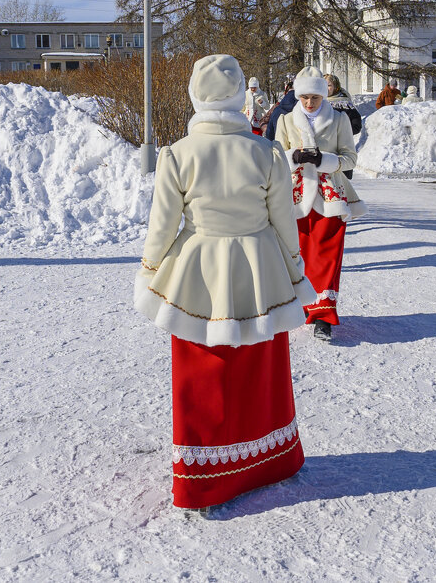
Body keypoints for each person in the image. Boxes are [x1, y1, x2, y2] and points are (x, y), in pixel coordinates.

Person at [134, 54, 316, 512]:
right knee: (260, 367)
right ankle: (267, 460)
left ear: (196, 98)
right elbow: (283, 223)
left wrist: (151, 271)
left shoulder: (177, 154)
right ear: (240, 98)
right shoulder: (266, 151)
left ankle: (204, 478)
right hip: (260, 271)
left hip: (197, 272)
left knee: (202, 368)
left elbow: (162, 228)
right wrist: (294, 270)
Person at [275, 66, 367, 341]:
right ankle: (302, 308)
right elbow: (276, 158)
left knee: (327, 256)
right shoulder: (286, 121)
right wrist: (296, 156)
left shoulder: (339, 119)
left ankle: (324, 317)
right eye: (304, 97)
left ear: (323, 95)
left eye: (315, 97)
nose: (309, 102)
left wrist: (324, 160)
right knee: (298, 255)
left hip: (331, 197)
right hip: (296, 198)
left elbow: (350, 159)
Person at [324, 74, 362, 179]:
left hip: (341, 150)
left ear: (336, 87)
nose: (326, 88)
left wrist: (341, 132)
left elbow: (356, 125)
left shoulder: (344, 103)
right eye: (323, 85)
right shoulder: (317, 103)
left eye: (329, 85)